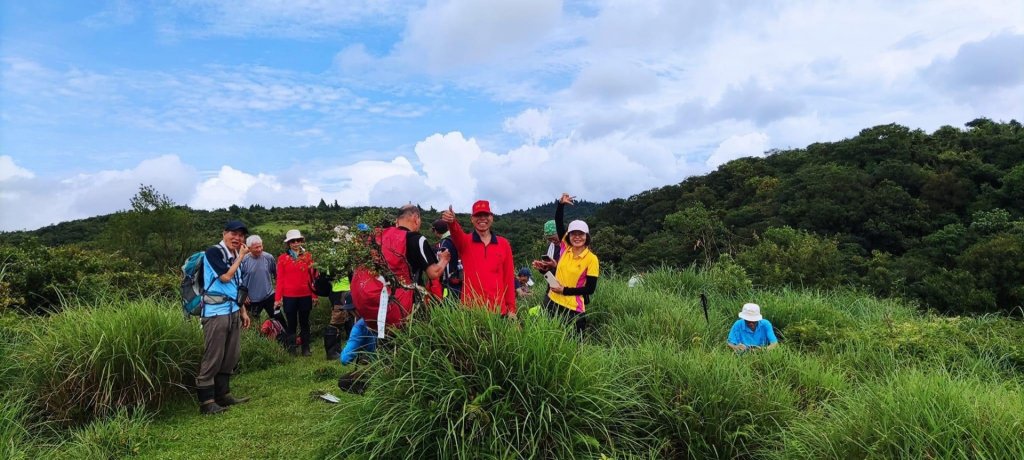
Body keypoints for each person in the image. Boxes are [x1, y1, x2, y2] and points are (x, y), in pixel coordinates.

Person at [350, 204, 450, 336]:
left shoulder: (378, 238)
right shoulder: (416, 239)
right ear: (416, 218)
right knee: (411, 341)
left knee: (386, 346)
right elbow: (433, 273)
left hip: (382, 305)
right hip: (408, 307)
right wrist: (444, 259)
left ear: (397, 220)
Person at [196, 220, 252, 415]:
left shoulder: (235, 254)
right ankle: (207, 402)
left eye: (241, 235)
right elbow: (225, 277)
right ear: (224, 233)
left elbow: (235, 285)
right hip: (215, 313)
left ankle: (223, 395)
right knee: (214, 356)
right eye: (233, 234)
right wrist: (242, 257)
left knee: (230, 355)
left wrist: (243, 311)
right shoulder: (213, 252)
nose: (237, 238)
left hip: (232, 311)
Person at [534, 193, 599, 335]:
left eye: (580, 234)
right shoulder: (564, 249)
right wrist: (544, 270)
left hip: (572, 308)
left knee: (573, 346)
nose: (577, 237)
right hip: (551, 301)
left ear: (586, 236)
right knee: (547, 337)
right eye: (573, 233)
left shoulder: (591, 259)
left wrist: (564, 290)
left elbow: (590, 289)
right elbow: (555, 280)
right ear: (568, 236)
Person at [440, 200, 516, 316]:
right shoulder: (465, 242)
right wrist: (452, 222)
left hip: (498, 311)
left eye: (485, 215)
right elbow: (456, 232)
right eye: (478, 215)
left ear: (492, 217)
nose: (482, 218)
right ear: (471, 219)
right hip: (470, 310)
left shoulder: (504, 244)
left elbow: (508, 278)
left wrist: (511, 309)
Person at [275, 229, 317, 356]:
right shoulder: (283, 258)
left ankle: (306, 348)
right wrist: (277, 298)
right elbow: (280, 279)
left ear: (301, 241)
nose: (296, 243)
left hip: (305, 294)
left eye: (298, 240)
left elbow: (312, 277)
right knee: (291, 323)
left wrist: (314, 295)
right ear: (288, 243)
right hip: (289, 296)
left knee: (305, 322)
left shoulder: (308, 256)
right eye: (293, 241)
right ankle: (292, 349)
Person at [240, 235, 282, 327]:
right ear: (249, 248)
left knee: (279, 318)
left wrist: (279, 294)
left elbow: (277, 275)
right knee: (250, 324)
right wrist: (243, 295)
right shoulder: (243, 260)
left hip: (270, 295)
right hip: (251, 300)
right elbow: (237, 279)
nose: (259, 249)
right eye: (256, 247)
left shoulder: (269, 257)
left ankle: (286, 339)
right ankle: (259, 340)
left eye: (261, 246)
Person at [431, 219, 463, 300]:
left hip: (450, 284)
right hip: (462, 280)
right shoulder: (456, 239)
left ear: (436, 231)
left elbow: (444, 267)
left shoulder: (444, 244)